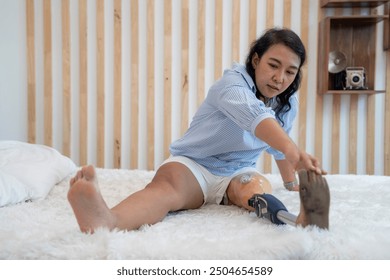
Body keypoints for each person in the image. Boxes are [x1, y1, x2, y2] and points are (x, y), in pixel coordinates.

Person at [68, 27, 330, 233]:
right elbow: (257, 118)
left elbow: (278, 145)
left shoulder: (287, 102)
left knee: (255, 190)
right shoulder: (231, 84)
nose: (280, 78)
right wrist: (293, 151)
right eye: (273, 65)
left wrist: (290, 182)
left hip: (238, 171)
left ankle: (299, 219)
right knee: (166, 190)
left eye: (290, 72)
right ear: (256, 60)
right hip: (194, 164)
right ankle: (107, 219)